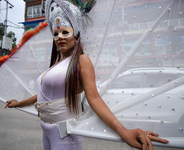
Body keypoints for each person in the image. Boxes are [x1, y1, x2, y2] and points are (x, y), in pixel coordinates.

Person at [5, 0, 168, 150]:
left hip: (64, 135)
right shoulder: (55, 66)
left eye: (65, 32)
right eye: (55, 34)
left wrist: (123, 131)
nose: (59, 36)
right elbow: (42, 95)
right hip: (46, 131)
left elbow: (94, 98)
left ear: (76, 37)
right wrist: (18, 103)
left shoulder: (82, 60)